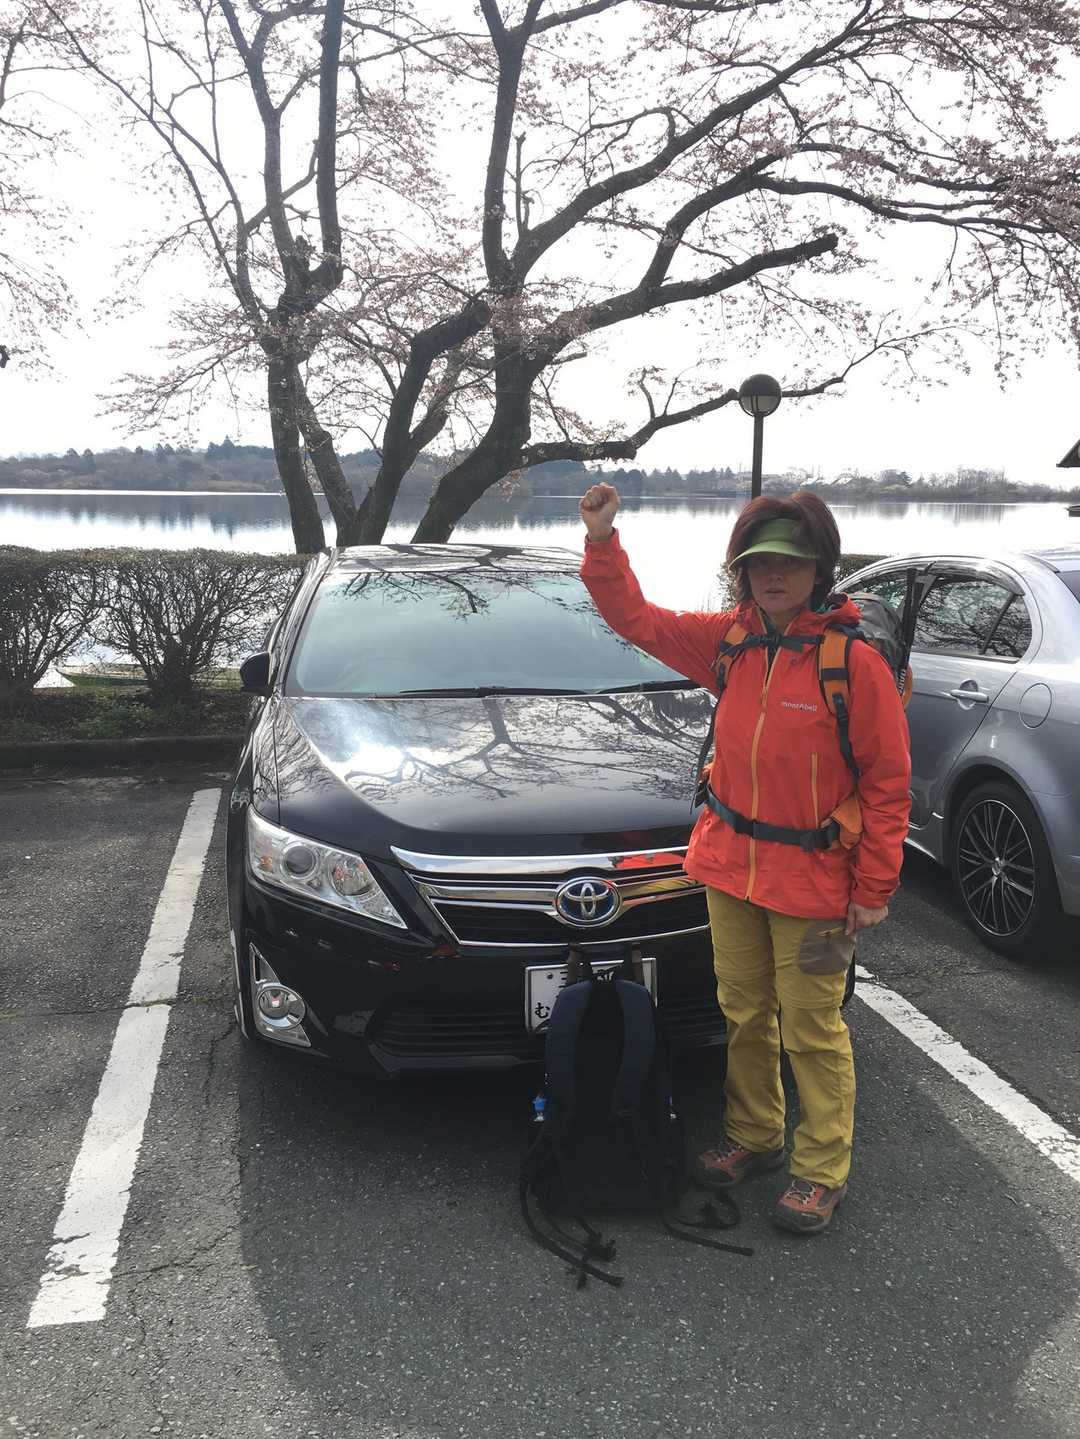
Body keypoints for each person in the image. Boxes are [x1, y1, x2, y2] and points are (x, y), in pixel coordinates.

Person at [579, 483, 911, 1235]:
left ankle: (821, 1169)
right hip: (729, 870)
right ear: (743, 569)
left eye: (791, 561)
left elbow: (889, 785)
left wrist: (874, 887)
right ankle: (755, 1134)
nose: (775, 574)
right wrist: (602, 541)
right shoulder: (729, 641)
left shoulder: (852, 664)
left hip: (817, 887)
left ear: (820, 569)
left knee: (813, 1028)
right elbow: (636, 619)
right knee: (744, 1011)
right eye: (761, 561)